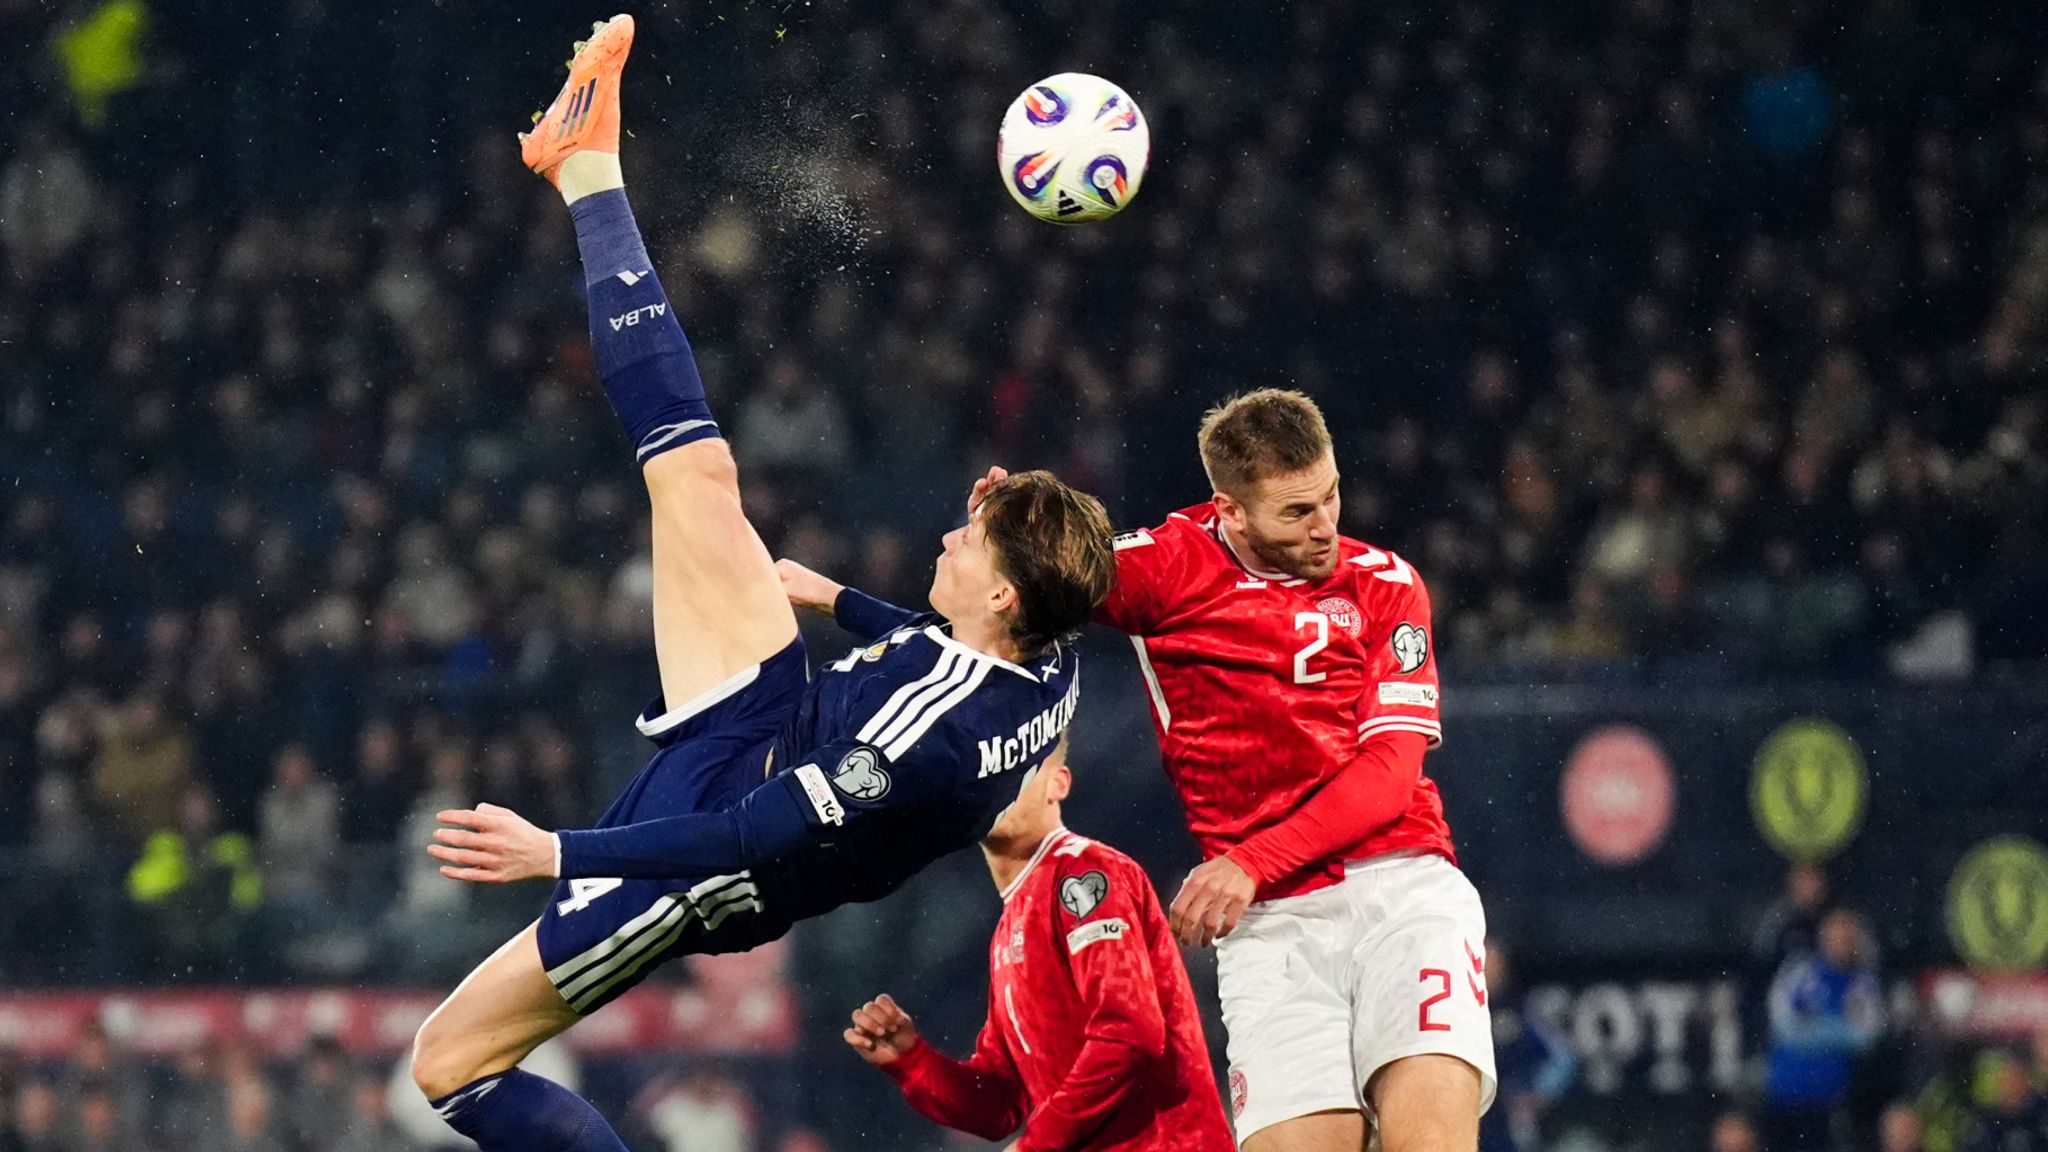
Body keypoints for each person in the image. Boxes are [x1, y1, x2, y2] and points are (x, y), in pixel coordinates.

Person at [404, 17, 1115, 1152]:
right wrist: (839, 601)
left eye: (971, 542)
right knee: (695, 473)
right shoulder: (1046, 649)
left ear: (1001, 601)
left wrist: (559, 852)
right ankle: (585, 168)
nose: (948, 536)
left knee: (448, 1063)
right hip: (769, 718)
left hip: (705, 863)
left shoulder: (920, 746)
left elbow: (741, 835)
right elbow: (959, 640)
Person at [973, 389, 1495, 1152]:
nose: (1325, 526)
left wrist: (1249, 862)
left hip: (1403, 891)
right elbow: (1012, 592)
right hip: (1271, 928)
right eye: (1296, 512)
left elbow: (1389, 772)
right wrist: (1003, 536)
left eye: (1331, 496)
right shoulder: (1165, 567)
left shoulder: (1386, 583)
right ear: (1231, 511)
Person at [839, 737, 1234, 1152]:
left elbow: (1130, 1033)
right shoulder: (1010, 925)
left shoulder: (1083, 871)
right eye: (986, 776)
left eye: (1018, 770)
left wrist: (1037, 1144)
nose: (998, 787)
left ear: (1058, 784)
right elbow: (1001, 1105)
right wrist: (913, 1061)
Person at [1762, 908, 1883, 1152]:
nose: (1841, 944)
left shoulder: (1862, 983)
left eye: (1847, 939)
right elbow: (1781, 1022)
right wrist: (1836, 1029)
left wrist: (1814, 1027)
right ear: (1822, 938)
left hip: (1834, 1096)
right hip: (1786, 1090)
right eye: (1835, 937)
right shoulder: (1800, 972)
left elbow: (1866, 1036)